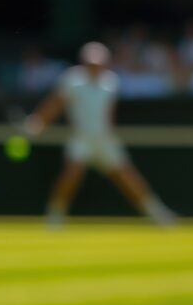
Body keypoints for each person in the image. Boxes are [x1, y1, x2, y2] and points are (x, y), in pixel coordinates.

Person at [25, 42, 177, 228]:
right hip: (81, 140)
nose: (95, 67)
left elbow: (109, 115)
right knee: (71, 176)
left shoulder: (111, 82)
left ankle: (158, 215)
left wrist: (107, 136)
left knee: (129, 179)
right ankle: (54, 217)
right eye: (91, 63)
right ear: (83, 63)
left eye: (99, 63)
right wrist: (39, 121)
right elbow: (55, 104)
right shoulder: (72, 80)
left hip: (105, 140)